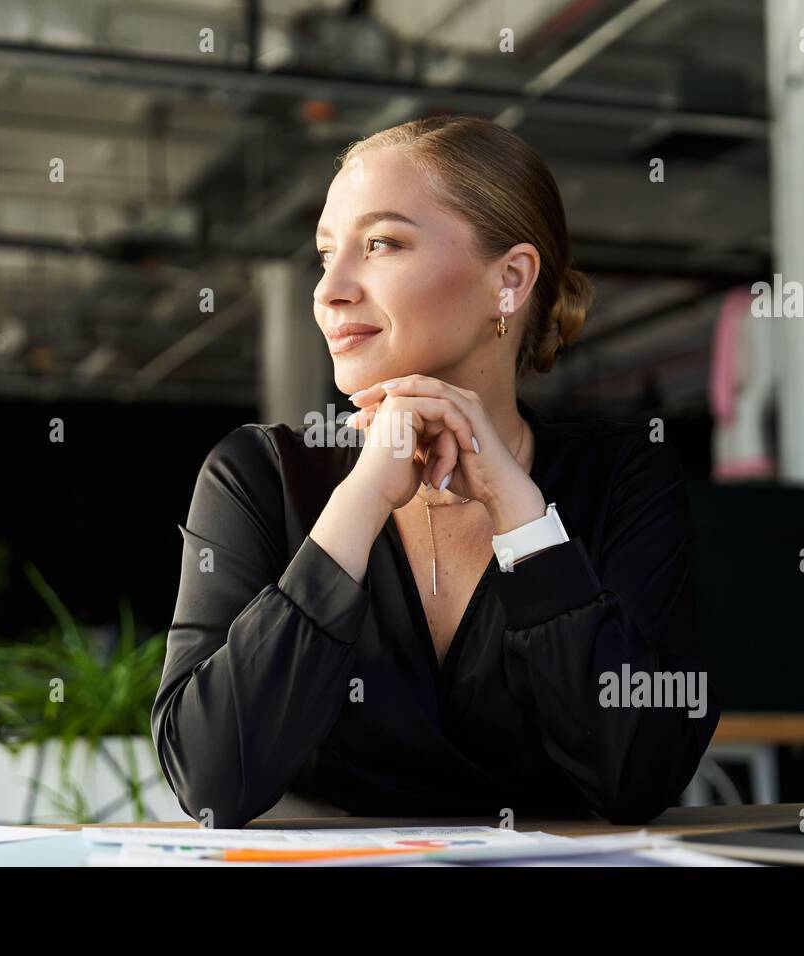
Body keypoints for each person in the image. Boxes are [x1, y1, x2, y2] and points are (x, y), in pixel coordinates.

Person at [151, 114, 719, 828]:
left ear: (508, 281)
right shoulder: (257, 477)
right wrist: (359, 503)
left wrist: (522, 516)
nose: (330, 289)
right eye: (327, 253)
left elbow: (642, 774)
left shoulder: (623, 481)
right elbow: (209, 781)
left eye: (381, 243)